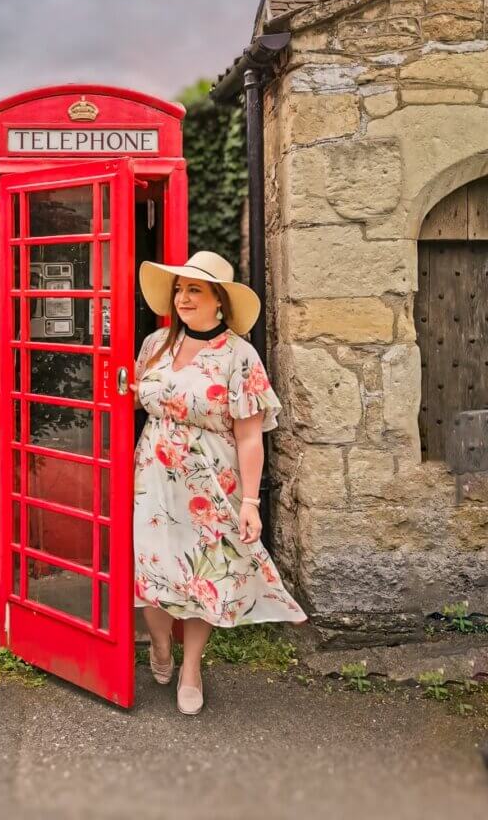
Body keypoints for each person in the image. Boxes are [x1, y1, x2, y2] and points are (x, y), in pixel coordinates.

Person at [131, 250, 307, 715]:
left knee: (203, 577)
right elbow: (134, 398)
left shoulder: (239, 355)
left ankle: (191, 667)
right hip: (153, 481)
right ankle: (160, 643)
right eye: (179, 289)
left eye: (195, 290)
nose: (183, 298)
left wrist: (250, 501)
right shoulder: (156, 345)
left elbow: (250, 437)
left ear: (219, 302)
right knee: (153, 572)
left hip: (210, 484)